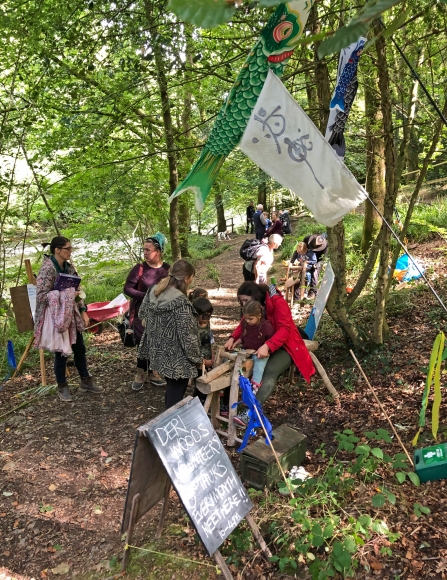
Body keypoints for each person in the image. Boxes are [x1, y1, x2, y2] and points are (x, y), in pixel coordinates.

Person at [224, 282, 315, 425]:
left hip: (287, 345)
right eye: (241, 301)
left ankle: (251, 412)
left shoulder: (277, 302)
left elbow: (284, 329)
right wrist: (233, 337)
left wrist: (268, 345)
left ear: (255, 296)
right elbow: (244, 323)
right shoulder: (254, 306)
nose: (243, 304)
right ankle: (233, 403)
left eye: (245, 300)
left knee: (270, 371)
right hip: (263, 344)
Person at [34, 236, 103, 402]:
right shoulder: (47, 269)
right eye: (68, 249)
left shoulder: (69, 267)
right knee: (62, 352)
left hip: (71, 314)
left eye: (71, 248)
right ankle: (62, 386)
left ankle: (86, 381)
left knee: (79, 348)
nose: (70, 252)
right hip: (55, 317)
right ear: (57, 250)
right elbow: (41, 296)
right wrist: (65, 295)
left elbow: (77, 289)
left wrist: (83, 310)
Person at [137, 259, 203, 409]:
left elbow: (142, 313)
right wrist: (197, 359)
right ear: (187, 278)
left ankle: (168, 415)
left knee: (172, 386)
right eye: (191, 278)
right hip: (176, 358)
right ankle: (169, 424)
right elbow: (189, 338)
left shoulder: (153, 291)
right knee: (177, 388)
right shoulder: (181, 303)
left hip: (157, 351)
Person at [124, 232, 170, 391]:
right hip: (141, 313)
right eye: (143, 249)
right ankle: (140, 373)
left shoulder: (167, 269)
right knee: (143, 342)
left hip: (161, 313)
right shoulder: (139, 268)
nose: (144, 252)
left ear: (158, 251)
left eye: (147, 250)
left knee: (157, 341)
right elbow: (128, 288)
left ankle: (154, 372)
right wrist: (146, 296)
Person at [232, 300, 274, 394]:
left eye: (250, 319)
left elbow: (272, 340)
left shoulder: (266, 326)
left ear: (259, 316)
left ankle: (254, 387)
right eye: (246, 318)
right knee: (231, 358)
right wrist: (235, 343)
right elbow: (243, 336)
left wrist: (267, 349)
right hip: (246, 349)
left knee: (259, 366)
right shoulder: (245, 323)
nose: (247, 321)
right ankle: (238, 379)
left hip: (259, 352)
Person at [192, 296, 215, 404]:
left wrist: (213, 355)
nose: (206, 317)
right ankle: (197, 401)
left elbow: (210, 340)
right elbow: (193, 347)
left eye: (208, 314)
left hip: (208, 356)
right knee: (200, 380)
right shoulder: (193, 327)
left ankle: (203, 399)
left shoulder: (208, 324)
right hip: (198, 360)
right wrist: (203, 362)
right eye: (203, 314)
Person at [302, 234, 328, 298]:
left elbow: (322, 259)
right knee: (301, 271)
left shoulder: (325, 245)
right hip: (306, 259)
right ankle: (300, 290)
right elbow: (301, 248)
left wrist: (317, 264)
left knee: (314, 272)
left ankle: (313, 291)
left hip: (317, 261)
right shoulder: (306, 239)